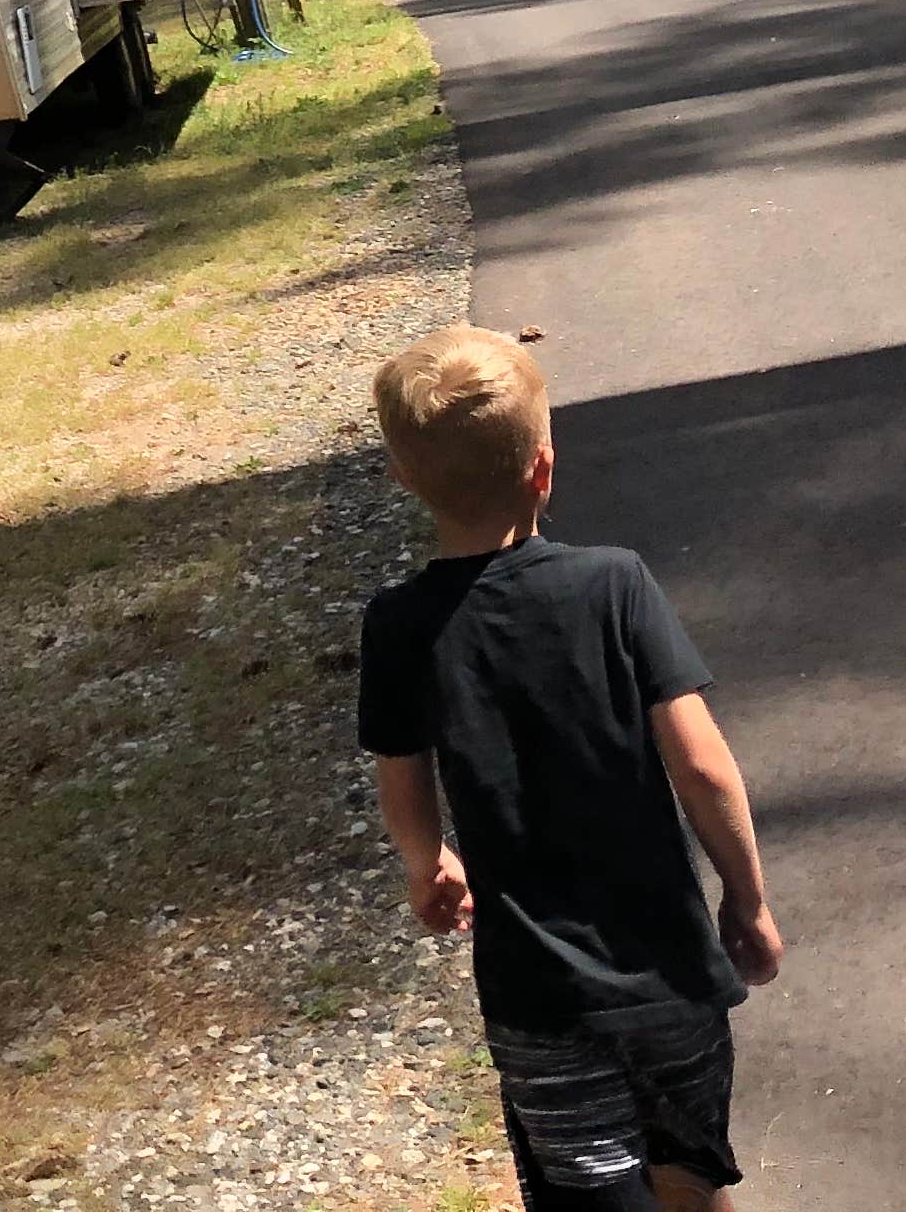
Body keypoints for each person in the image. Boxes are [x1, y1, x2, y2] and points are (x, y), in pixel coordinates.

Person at [357, 327, 781, 1209]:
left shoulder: (399, 625)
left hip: (538, 1000)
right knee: (693, 1174)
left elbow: (403, 776)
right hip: (669, 976)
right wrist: (746, 898)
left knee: (590, 1191)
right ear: (543, 469)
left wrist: (426, 863)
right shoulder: (614, 585)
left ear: (404, 480)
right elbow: (703, 767)